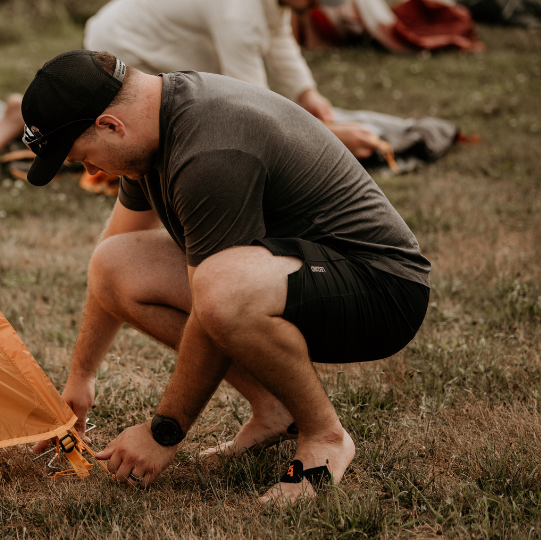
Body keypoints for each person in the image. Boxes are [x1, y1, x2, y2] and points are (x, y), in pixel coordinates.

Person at [23, 50, 430, 505]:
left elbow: (214, 304)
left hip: (381, 290)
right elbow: (112, 260)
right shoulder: (149, 129)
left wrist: (163, 432)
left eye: (83, 157)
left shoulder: (208, 150)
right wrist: (81, 377)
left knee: (222, 288)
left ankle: (325, 437)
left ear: (111, 125)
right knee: (115, 264)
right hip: (287, 273)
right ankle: (275, 410)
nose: (91, 170)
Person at [83, 0, 385, 159]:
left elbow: (278, 36)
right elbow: (254, 105)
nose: (315, 6)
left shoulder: (271, 4)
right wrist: (329, 138)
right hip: (123, 45)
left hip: (156, 38)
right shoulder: (238, 14)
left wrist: (307, 93)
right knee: (180, 125)